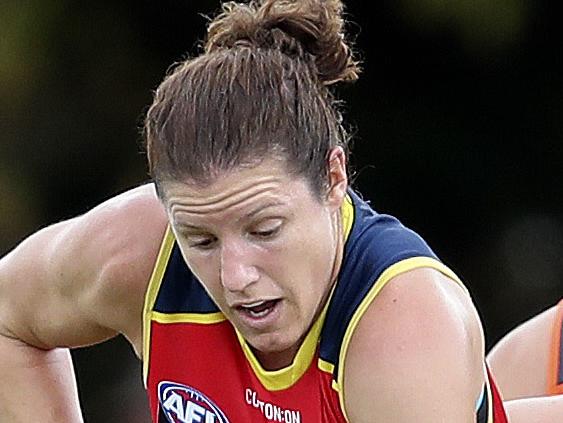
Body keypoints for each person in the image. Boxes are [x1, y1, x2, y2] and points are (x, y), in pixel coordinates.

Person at [0, 0, 511, 421]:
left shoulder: (404, 332)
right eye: (200, 240)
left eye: (264, 229)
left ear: (334, 178)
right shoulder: (138, 254)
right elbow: (8, 317)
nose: (235, 275)